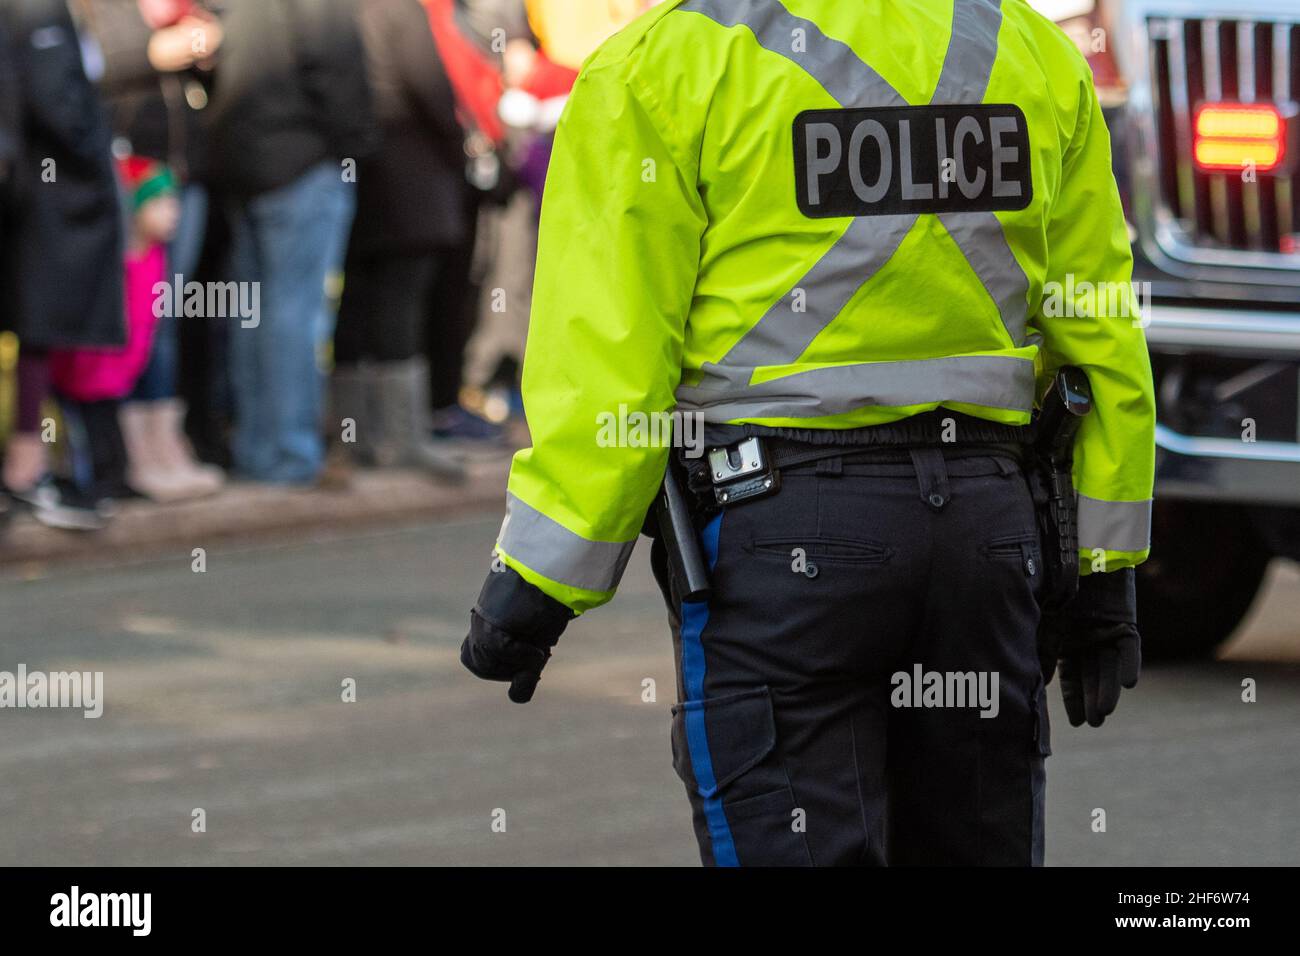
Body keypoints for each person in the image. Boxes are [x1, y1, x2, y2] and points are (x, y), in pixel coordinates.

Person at [461, 0, 1156, 866]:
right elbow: (1099, 335)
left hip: (782, 542)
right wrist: (1103, 572)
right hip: (987, 540)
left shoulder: (662, 65)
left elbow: (611, 363)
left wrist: (535, 585)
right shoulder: (1029, 50)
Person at [206, 0, 375, 484]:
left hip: (251, 165)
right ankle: (290, 454)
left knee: (257, 313)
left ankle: (260, 449)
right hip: (300, 164)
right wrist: (359, 144)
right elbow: (339, 73)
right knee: (292, 314)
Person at [330, 0, 470, 480]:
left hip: (357, 165)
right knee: (400, 303)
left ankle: (357, 436)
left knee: (359, 299)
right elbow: (429, 85)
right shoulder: (398, 8)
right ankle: (402, 439)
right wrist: (460, 145)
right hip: (408, 171)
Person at [0, 0, 126, 531]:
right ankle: (25, 471)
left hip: (32, 193)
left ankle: (27, 468)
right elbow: (57, 102)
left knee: (37, 329)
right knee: (39, 324)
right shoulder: (36, 9)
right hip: (42, 198)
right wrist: (98, 154)